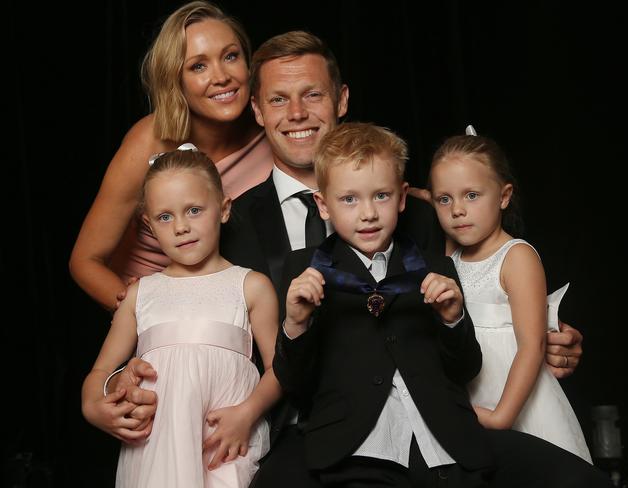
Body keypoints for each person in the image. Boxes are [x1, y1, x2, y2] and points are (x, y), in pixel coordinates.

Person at [104, 30, 586, 486]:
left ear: (342, 100)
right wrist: (117, 376)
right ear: (256, 109)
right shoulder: (225, 225)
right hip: (294, 430)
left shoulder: (419, 212)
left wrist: (541, 335)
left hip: (431, 421)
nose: (296, 112)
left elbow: (489, 271)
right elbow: (184, 314)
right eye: (277, 99)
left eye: (312, 94)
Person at [274, 121, 609, 487]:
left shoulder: (434, 265)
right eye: (349, 199)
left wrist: (453, 320)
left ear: (402, 198)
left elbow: (465, 367)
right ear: (323, 205)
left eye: (381, 196)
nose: (368, 213)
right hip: (355, 445)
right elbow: (293, 381)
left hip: (445, 439)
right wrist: (295, 325)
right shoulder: (305, 271)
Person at [81, 148, 282, 487]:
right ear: (148, 224)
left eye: (193, 210)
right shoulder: (139, 294)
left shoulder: (250, 286)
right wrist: (92, 407)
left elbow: (281, 367)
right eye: (165, 217)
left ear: (223, 208)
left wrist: (247, 415)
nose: (181, 227)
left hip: (224, 443)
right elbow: (100, 372)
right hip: (154, 451)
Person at [69, 1, 273, 312]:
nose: (221, 77)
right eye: (198, 66)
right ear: (175, 80)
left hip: (231, 309)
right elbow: (85, 262)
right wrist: (151, 318)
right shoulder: (149, 140)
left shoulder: (273, 132)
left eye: (230, 56)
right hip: (151, 311)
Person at [429, 133, 591, 462]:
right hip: (472, 401)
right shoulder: (451, 257)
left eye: (471, 195)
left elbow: (532, 345)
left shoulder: (516, 257)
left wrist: (502, 415)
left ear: (503, 197)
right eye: (444, 199)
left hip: (516, 403)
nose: (457, 210)